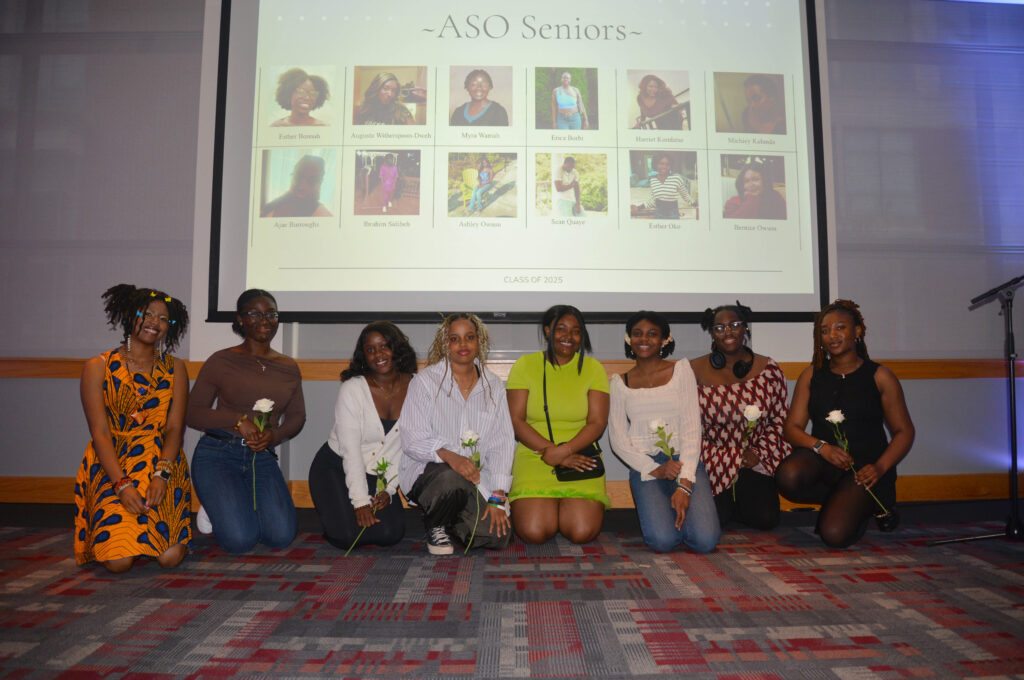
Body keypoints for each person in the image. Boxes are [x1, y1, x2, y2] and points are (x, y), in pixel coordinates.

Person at [777, 299, 915, 548]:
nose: (832, 336)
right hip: (826, 462)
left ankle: (864, 504)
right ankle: (838, 500)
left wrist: (880, 467)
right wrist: (822, 447)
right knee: (788, 475)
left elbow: (904, 431)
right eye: (825, 330)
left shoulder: (880, 376)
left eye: (840, 328)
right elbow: (792, 428)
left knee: (834, 535)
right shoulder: (812, 375)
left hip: (866, 471)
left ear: (858, 332)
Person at [74, 284, 191, 572]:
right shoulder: (98, 366)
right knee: (118, 563)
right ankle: (121, 535)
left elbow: (175, 428)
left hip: (160, 460)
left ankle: (151, 536)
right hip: (113, 463)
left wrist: (162, 475)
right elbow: (99, 432)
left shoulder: (176, 368)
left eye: (164, 319)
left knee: (169, 558)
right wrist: (122, 484)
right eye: (147, 314)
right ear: (129, 315)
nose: (155, 323)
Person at [187, 289, 306, 554]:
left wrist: (274, 437)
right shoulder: (221, 360)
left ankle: (231, 501)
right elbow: (193, 413)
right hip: (218, 453)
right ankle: (217, 504)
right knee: (240, 541)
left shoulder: (288, 366)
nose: (265, 320)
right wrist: (238, 420)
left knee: (280, 537)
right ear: (240, 319)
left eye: (271, 314)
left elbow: (298, 416)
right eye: (255, 313)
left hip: (261, 456)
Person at [399, 313, 514, 555]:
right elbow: (412, 440)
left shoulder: (493, 386)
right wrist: (451, 457)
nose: (463, 345)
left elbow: (502, 443)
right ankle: (436, 523)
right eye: (455, 338)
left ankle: (450, 517)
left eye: (469, 337)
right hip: (429, 474)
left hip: (475, 480)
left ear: (479, 342)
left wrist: (497, 496)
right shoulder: (425, 382)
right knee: (451, 479)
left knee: (497, 536)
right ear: (445, 344)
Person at [609, 311, 720, 553]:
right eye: (637, 334)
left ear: (664, 339)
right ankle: (673, 523)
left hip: (684, 462)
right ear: (629, 339)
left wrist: (684, 484)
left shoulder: (681, 371)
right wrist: (655, 469)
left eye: (652, 334)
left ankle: (682, 516)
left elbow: (692, 427)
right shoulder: (620, 382)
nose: (644, 340)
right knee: (662, 541)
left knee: (705, 542)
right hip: (646, 467)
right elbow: (618, 440)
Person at [507, 305, 609, 544]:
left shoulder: (594, 369)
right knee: (534, 532)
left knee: (581, 532)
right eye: (561, 329)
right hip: (534, 454)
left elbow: (597, 423)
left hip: (581, 456)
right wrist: (553, 454)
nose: (568, 336)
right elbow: (515, 420)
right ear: (547, 331)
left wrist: (565, 451)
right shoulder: (525, 365)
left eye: (575, 331)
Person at [309, 322, 416, 551]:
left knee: (391, 534)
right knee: (348, 537)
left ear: (397, 348)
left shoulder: (417, 388)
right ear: (363, 356)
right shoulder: (353, 389)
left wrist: (388, 489)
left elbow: (407, 447)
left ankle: (345, 514)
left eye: (384, 346)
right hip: (335, 466)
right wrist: (360, 503)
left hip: (378, 474)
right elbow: (350, 450)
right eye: (370, 349)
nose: (378, 354)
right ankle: (338, 515)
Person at [692, 302, 791, 531]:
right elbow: (685, 426)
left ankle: (740, 497)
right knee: (715, 520)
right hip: (711, 461)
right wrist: (721, 457)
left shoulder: (769, 369)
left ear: (745, 328)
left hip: (752, 460)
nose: (728, 332)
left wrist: (756, 453)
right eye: (719, 327)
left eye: (735, 325)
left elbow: (779, 420)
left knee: (765, 519)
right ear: (712, 333)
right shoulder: (693, 370)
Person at [260, 155, 332, 218]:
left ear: (320, 183)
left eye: (312, 180)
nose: (302, 186)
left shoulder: (323, 216)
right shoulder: (284, 198)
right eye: (298, 176)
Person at [630, 154, 694, 219]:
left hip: (673, 214)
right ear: (656, 164)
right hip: (658, 214)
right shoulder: (653, 180)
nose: (664, 166)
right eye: (661, 163)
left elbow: (685, 195)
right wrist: (639, 207)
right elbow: (653, 200)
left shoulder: (676, 178)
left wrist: (695, 204)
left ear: (671, 166)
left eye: (667, 164)